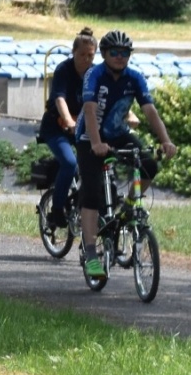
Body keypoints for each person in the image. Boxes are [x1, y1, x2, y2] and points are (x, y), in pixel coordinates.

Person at [77, 29, 177, 283]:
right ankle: (91, 253)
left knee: (149, 165)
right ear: (104, 54)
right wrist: (96, 143)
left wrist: (165, 141)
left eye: (125, 53)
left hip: (118, 133)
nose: (120, 57)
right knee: (91, 193)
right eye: (114, 52)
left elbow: (150, 112)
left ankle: (130, 206)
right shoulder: (94, 75)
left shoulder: (134, 78)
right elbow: (89, 110)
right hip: (90, 136)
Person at [37, 28, 96, 230]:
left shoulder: (95, 73)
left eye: (90, 56)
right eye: (82, 55)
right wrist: (69, 122)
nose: (86, 59)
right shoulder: (64, 70)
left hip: (81, 128)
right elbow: (59, 99)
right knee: (70, 163)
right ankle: (57, 209)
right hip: (56, 128)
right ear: (73, 52)